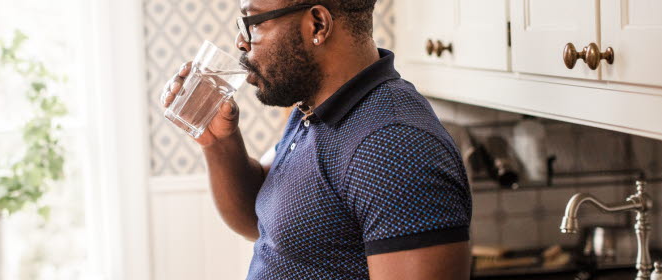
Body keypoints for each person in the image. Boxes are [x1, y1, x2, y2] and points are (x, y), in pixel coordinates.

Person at [160, 0, 472, 279]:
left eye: (253, 23)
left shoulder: (395, 147)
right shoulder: (313, 109)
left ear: (318, 24)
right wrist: (218, 141)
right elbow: (259, 220)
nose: (242, 42)